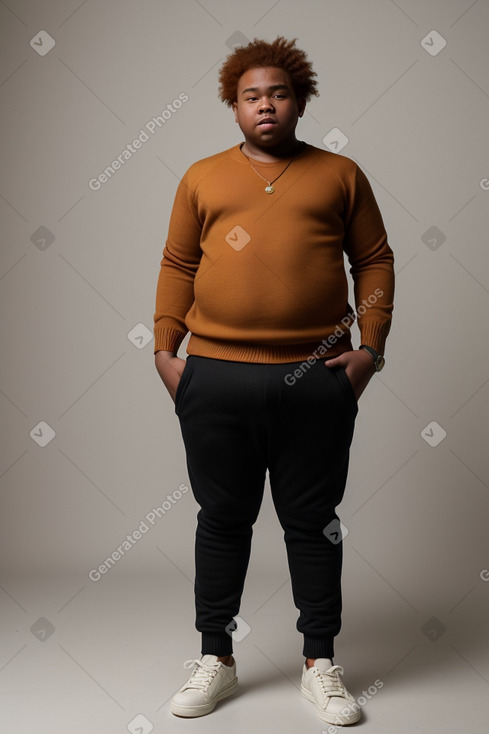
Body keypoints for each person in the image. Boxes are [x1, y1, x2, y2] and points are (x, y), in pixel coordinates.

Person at [153, 36, 394, 726]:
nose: (266, 104)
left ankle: (320, 663)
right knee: (222, 521)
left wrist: (369, 350)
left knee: (313, 524)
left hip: (315, 375)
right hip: (215, 377)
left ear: (300, 101)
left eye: (278, 93)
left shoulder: (339, 174)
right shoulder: (202, 177)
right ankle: (215, 660)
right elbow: (176, 264)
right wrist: (165, 351)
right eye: (251, 94)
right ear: (233, 106)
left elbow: (374, 262)